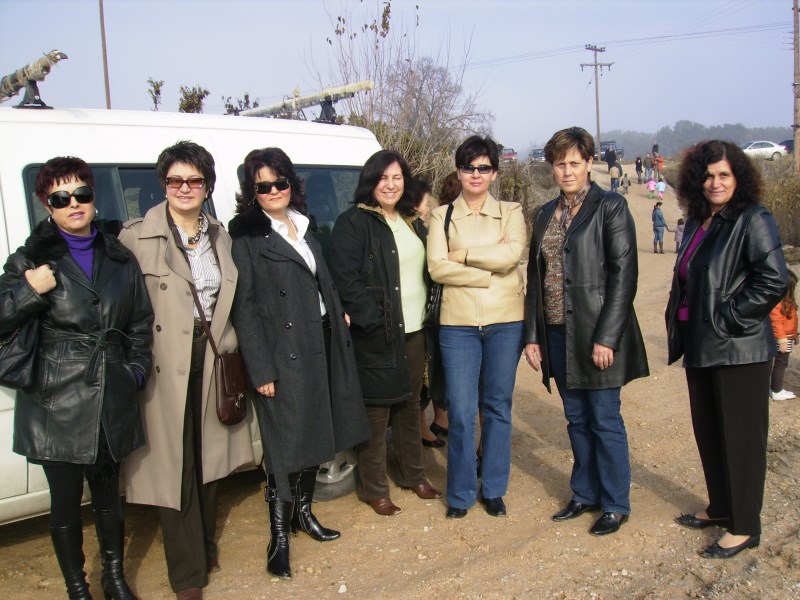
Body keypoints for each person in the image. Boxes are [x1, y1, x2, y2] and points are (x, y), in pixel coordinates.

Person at [0, 156, 154, 599]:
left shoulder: (119, 256)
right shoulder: (29, 259)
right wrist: (30, 290)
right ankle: (77, 589)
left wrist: (135, 371)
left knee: (109, 498)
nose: (73, 204)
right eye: (60, 197)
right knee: (65, 504)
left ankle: (114, 578)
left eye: (81, 193)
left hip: (112, 392)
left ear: (93, 196)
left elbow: (140, 323)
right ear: (46, 205)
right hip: (55, 401)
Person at [119, 141, 255, 600]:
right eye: (175, 180)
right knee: (174, 466)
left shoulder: (220, 235)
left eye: (194, 180)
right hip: (164, 363)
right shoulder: (136, 237)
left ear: (207, 186)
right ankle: (187, 573)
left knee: (208, 460)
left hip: (212, 355)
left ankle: (205, 545)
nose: (184, 188)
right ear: (163, 184)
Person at [228, 147, 370, 579]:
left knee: (315, 433)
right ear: (252, 193)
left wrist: (337, 310)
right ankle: (279, 536)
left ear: (291, 184)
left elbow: (321, 280)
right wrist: (261, 370)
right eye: (263, 186)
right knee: (284, 447)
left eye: (280, 182)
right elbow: (245, 309)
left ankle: (304, 514)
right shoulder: (248, 238)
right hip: (283, 355)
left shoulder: (303, 226)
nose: (273, 191)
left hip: (321, 341)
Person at [523, 126, 648, 537]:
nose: (567, 171)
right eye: (560, 164)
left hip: (596, 333)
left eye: (575, 163)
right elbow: (535, 278)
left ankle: (614, 503)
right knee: (576, 419)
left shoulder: (610, 207)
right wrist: (532, 335)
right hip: (557, 333)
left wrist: (607, 337)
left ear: (590, 163)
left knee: (604, 419)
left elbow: (624, 277)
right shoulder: (544, 214)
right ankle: (585, 493)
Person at [667, 140, 787, 559]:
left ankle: (745, 526)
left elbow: (773, 280)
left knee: (741, 439)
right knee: (710, 433)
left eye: (724, 175)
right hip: (701, 344)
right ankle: (720, 507)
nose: (715, 183)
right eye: (707, 175)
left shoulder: (753, 218)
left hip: (739, 348)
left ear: (738, 177)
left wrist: (727, 318)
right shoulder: (699, 221)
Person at [330, 150, 442, 517]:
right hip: (378, 333)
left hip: (414, 331)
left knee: (410, 406)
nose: (390, 185)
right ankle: (375, 488)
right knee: (376, 413)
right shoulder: (353, 223)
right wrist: (371, 320)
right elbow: (345, 279)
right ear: (370, 182)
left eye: (397, 178)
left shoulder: (411, 221)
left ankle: (414, 475)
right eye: (383, 178)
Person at [427, 135, 527, 520]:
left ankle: (495, 488)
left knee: (498, 407)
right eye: (469, 167)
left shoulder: (511, 211)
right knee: (461, 409)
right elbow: (437, 268)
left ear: (495, 173)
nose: (476, 174)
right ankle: (461, 492)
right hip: (458, 326)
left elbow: (512, 254)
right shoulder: (441, 216)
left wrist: (464, 255)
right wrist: (489, 275)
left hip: (505, 322)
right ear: (458, 171)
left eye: (484, 168)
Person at [412, 178, 447, 449]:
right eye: (425, 202)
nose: (428, 207)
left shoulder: (420, 227)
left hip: (425, 310)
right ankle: (421, 427)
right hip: (418, 312)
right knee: (421, 375)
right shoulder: (414, 228)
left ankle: (433, 422)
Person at [768, 269, 798, 401]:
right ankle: (776, 390)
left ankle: (776, 388)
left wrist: (795, 335)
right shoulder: (777, 302)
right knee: (781, 363)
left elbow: (790, 321)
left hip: (787, 337)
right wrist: (782, 340)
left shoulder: (786, 301)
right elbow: (776, 322)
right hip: (782, 339)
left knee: (781, 363)